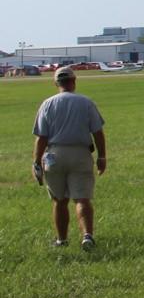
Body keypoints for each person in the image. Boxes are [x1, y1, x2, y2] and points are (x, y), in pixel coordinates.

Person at [31, 66, 107, 250]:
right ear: (74, 81)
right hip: (80, 154)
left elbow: (41, 137)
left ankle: (62, 239)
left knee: (59, 200)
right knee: (82, 199)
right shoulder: (86, 102)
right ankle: (87, 236)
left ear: (56, 83)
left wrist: (36, 163)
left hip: (54, 155)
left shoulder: (47, 104)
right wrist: (102, 156)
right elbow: (97, 132)